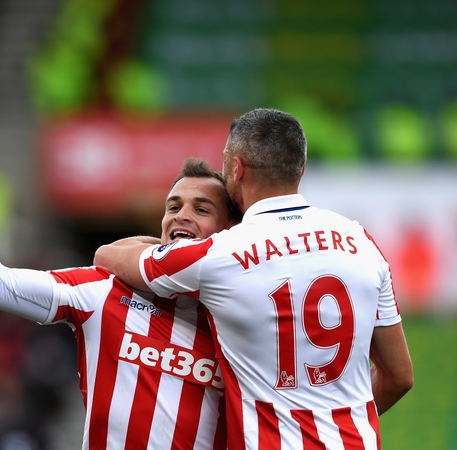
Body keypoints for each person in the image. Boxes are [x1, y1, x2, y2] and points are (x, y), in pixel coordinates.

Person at [94, 108, 414, 449]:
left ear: (236, 168)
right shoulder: (360, 241)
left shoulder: (218, 254)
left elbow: (109, 256)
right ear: (300, 169)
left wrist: (173, 248)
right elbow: (399, 376)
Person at [0, 156, 241, 449]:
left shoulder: (243, 315)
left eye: (201, 209)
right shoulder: (105, 288)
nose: (181, 216)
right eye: (173, 207)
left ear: (230, 232)